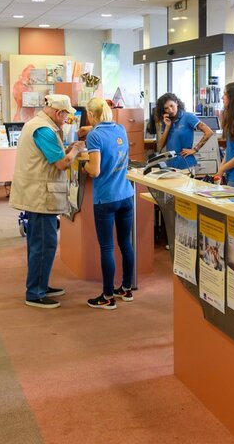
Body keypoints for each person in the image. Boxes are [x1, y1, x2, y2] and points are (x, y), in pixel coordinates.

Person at [10, 94, 84, 309]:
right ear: (59, 113)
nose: (67, 120)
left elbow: (50, 156)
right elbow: (61, 164)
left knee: (39, 243)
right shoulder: (44, 130)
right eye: (66, 116)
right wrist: (76, 151)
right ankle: (35, 293)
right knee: (44, 244)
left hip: (36, 194)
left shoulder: (37, 125)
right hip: (40, 196)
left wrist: (68, 150)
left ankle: (40, 284)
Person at [83, 97, 135, 310]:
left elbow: (94, 170)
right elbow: (106, 134)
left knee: (107, 247)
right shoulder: (120, 128)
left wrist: (84, 165)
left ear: (91, 115)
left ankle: (107, 296)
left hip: (105, 198)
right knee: (125, 243)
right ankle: (126, 289)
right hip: (126, 195)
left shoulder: (94, 136)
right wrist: (89, 129)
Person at [155, 93, 214, 171]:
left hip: (185, 164)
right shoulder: (166, 121)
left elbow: (209, 132)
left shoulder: (188, 117)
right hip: (170, 164)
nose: (170, 110)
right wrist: (167, 127)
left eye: (171, 106)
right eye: (166, 108)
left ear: (176, 103)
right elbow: (160, 145)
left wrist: (195, 149)